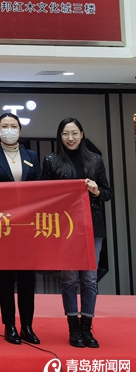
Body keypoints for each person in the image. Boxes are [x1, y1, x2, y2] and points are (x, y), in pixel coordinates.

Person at [42, 117, 112, 349]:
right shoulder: (51, 161)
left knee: (89, 279)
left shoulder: (95, 160)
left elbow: (108, 193)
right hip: (66, 228)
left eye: (74, 133)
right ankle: (73, 326)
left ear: (82, 134)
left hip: (93, 226)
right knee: (70, 279)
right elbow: (43, 195)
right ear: (59, 136)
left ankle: (86, 327)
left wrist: (96, 191)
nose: (70, 138)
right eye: (65, 134)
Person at [0, 112, 42, 346]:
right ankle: (9, 325)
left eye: (13, 126)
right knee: (6, 278)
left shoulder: (31, 156)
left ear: (20, 130)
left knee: (27, 278)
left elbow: (39, 187)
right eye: (4, 126)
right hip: (3, 224)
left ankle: (27, 325)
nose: (9, 130)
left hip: (27, 224)